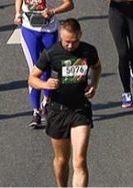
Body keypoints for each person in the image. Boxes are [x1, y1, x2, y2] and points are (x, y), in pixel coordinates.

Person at [29, 18, 101, 188]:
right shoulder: (51, 53)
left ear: (80, 35)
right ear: (61, 35)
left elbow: (97, 67)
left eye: (74, 41)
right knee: (62, 160)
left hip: (80, 109)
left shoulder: (88, 51)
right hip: (57, 110)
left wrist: (93, 84)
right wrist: (45, 85)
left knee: (79, 160)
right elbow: (32, 78)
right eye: (67, 42)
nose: (70, 46)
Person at [15, 0, 74, 128]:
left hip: (49, 30)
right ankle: (35, 111)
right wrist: (17, 13)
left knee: (47, 67)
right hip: (29, 29)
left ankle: (47, 101)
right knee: (34, 69)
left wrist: (53, 11)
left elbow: (69, 3)